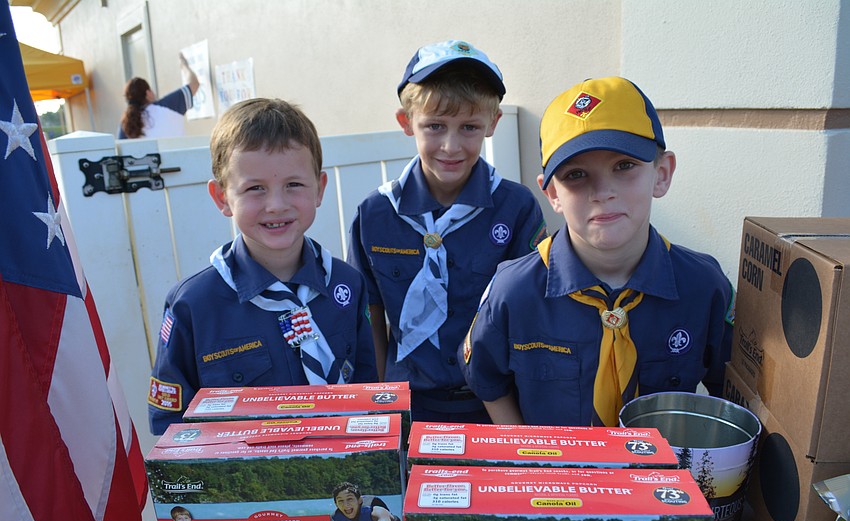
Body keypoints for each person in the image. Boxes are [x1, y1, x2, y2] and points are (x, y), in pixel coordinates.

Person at [460, 76, 735, 427]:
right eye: (576, 174)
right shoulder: (513, 291)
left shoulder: (704, 286)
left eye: (624, 166)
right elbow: (487, 380)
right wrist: (525, 452)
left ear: (662, 174)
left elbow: (731, 391)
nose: (603, 192)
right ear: (552, 194)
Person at [147, 98, 377, 434]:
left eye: (293, 185)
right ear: (222, 198)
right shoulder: (194, 305)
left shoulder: (347, 285)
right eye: (255, 189)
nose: (276, 205)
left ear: (319, 188)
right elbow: (171, 424)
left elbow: (368, 392)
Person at [346, 39, 547, 423]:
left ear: (493, 124)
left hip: (493, 406)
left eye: (469, 127)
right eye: (435, 126)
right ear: (406, 122)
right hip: (407, 406)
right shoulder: (375, 214)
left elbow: (529, 314)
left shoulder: (516, 208)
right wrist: (377, 405)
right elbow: (369, 314)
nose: (451, 146)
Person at [119, 53, 199, 139]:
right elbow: (194, 84)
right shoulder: (168, 106)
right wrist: (184, 66)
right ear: (148, 93)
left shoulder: (126, 124)